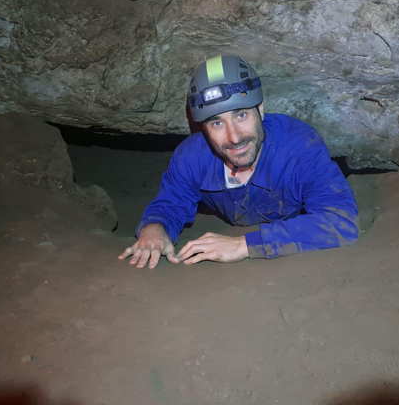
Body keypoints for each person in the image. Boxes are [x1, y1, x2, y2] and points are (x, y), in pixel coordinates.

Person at [118, 55, 359, 269]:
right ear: (203, 129)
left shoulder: (299, 148)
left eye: (241, 115)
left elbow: (340, 221)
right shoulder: (191, 158)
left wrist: (244, 245)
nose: (234, 137)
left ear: (261, 110)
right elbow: (170, 204)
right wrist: (155, 229)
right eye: (217, 123)